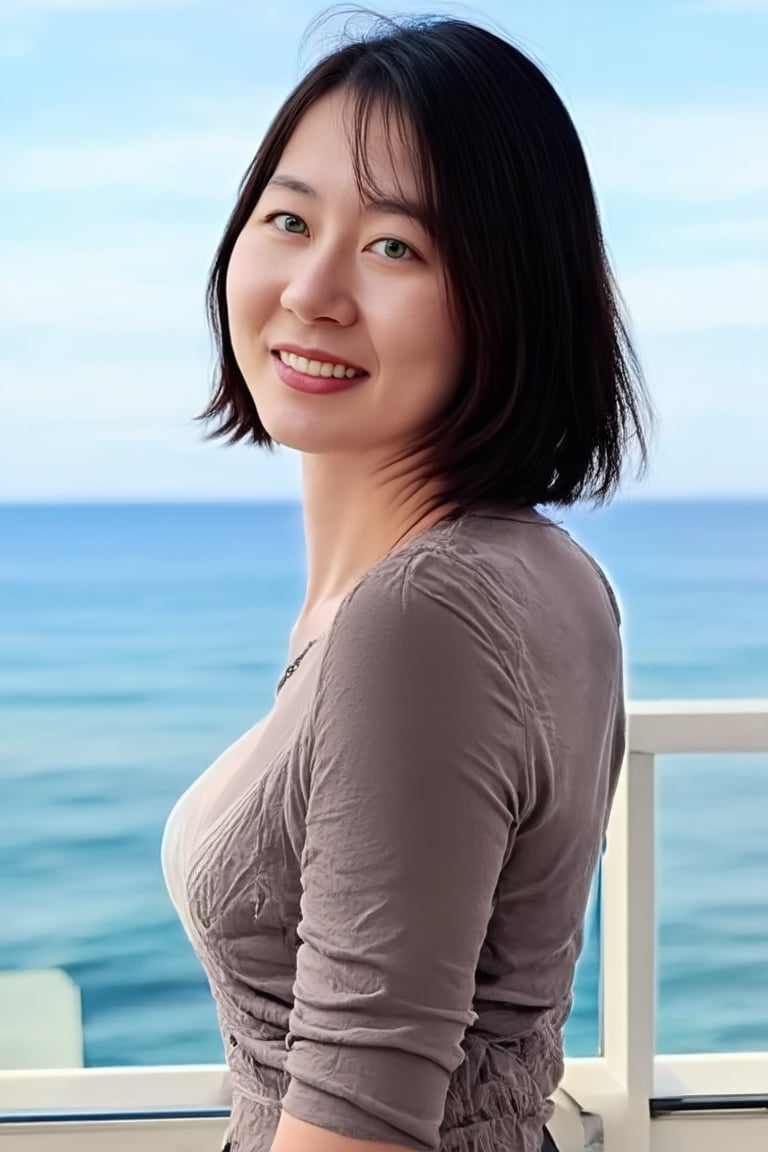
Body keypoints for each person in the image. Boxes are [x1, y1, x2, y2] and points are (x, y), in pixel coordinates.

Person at [161, 10, 652, 1152]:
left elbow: (362, 1128)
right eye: (288, 219)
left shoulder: (421, 616)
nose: (313, 290)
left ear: (508, 297)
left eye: (397, 247)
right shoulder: (547, 572)